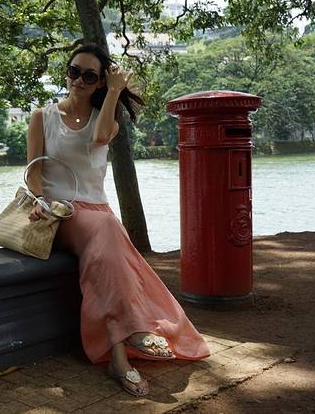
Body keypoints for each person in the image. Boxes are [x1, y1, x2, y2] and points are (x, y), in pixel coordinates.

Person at [25, 44, 209, 397]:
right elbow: (34, 171)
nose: (79, 80)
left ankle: (119, 359)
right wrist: (40, 202)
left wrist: (114, 91)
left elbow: (98, 137)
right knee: (110, 232)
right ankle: (135, 329)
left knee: (106, 255)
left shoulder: (105, 119)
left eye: (89, 76)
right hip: (58, 213)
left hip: (98, 216)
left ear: (100, 82)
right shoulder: (41, 117)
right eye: (74, 71)